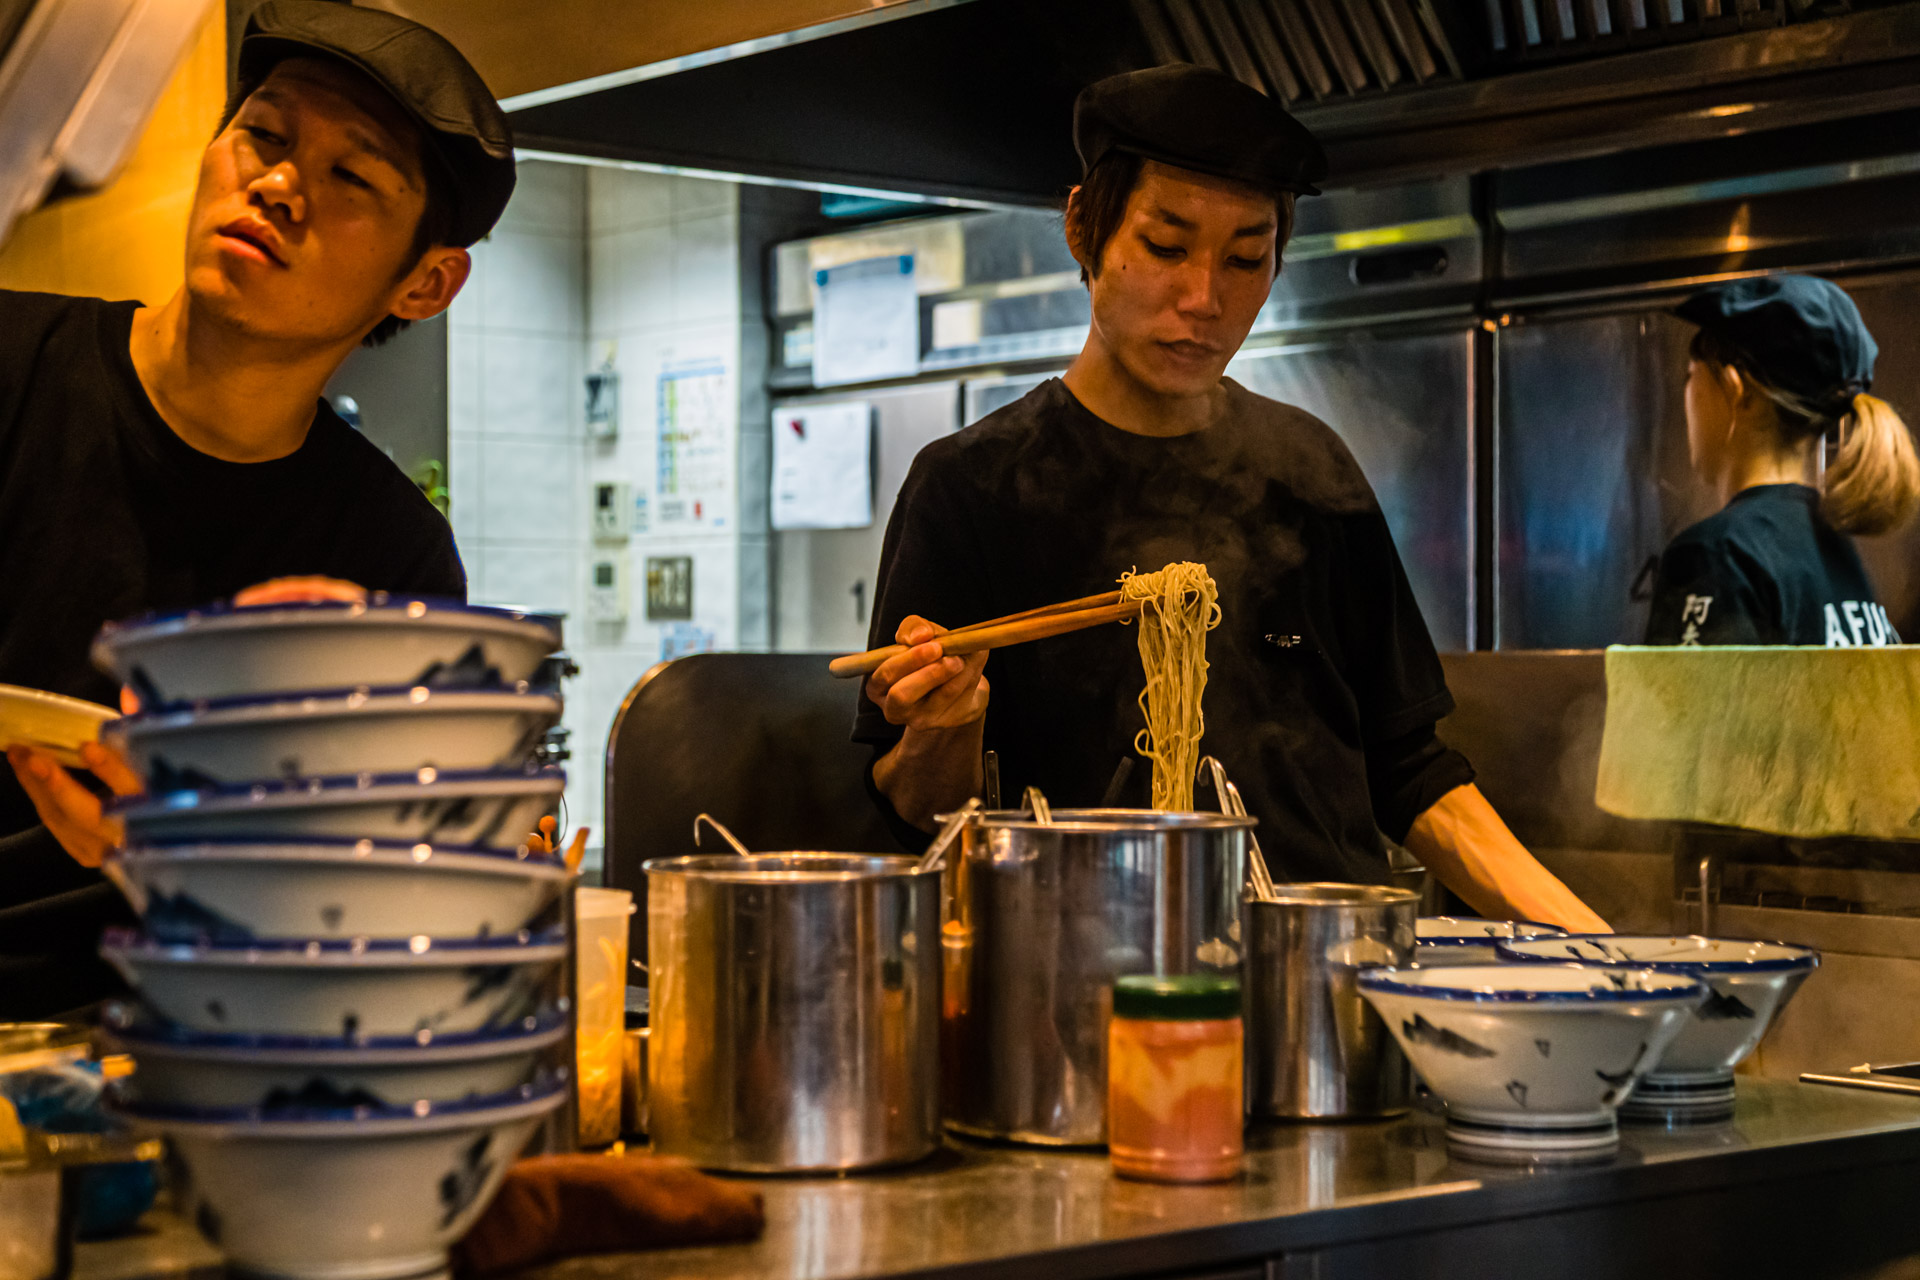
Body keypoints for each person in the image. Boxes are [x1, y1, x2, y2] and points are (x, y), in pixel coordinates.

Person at [854, 65, 1607, 932]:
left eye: (1246, 258)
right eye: (1166, 248)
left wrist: (1599, 946)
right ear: (1082, 229)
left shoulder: (1309, 469)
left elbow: (1410, 769)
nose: (1204, 299)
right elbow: (918, 813)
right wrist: (944, 727)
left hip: (1322, 961)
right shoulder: (971, 485)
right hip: (1086, 971)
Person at [0, 0, 517, 1016]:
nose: (278, 184)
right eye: (265, 136)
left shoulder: (392, 560)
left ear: (426, 283)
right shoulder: (14, 370)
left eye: (350, 176)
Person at [1645, 275, 1919, 646]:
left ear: (1736, 388)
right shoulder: (1838, 553)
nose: (1686, 395)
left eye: (1691, 376)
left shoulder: (1715, 555)